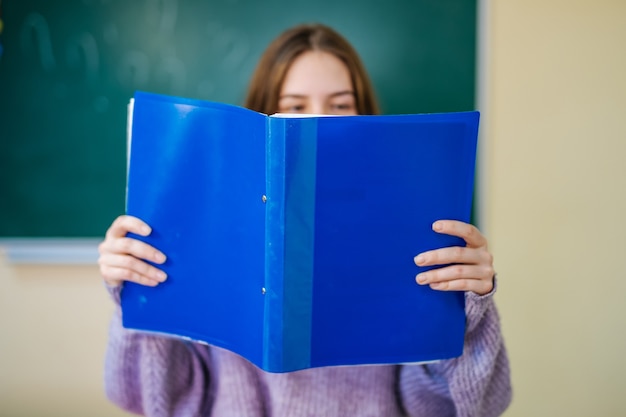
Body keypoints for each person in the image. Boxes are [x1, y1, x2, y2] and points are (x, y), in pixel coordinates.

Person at [99, 23, 512, 417]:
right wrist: (137, 294)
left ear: (366, 115)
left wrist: (466, 314)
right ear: (263, 118)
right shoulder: (210, 223)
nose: (320, 120)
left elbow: (455, 406)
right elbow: (151, 398)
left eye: (341, 105)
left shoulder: (411, 221)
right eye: (294, 106)